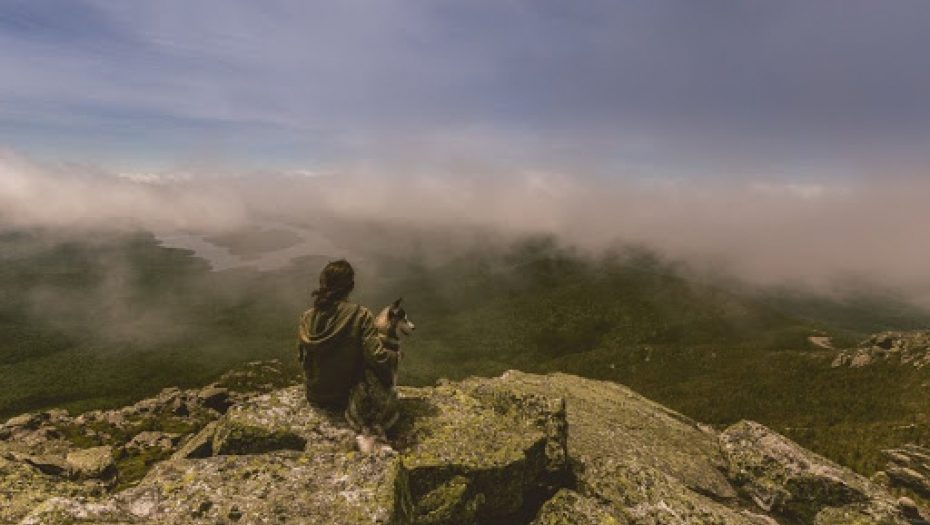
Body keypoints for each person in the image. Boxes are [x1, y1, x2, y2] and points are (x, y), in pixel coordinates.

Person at [296, 259, 400, 417]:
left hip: (315, 394)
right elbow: (377, 357)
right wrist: (395, 357)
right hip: (346, 396)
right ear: (351, 286)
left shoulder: (307, 317)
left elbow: (301, 357)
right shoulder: (361, 315)